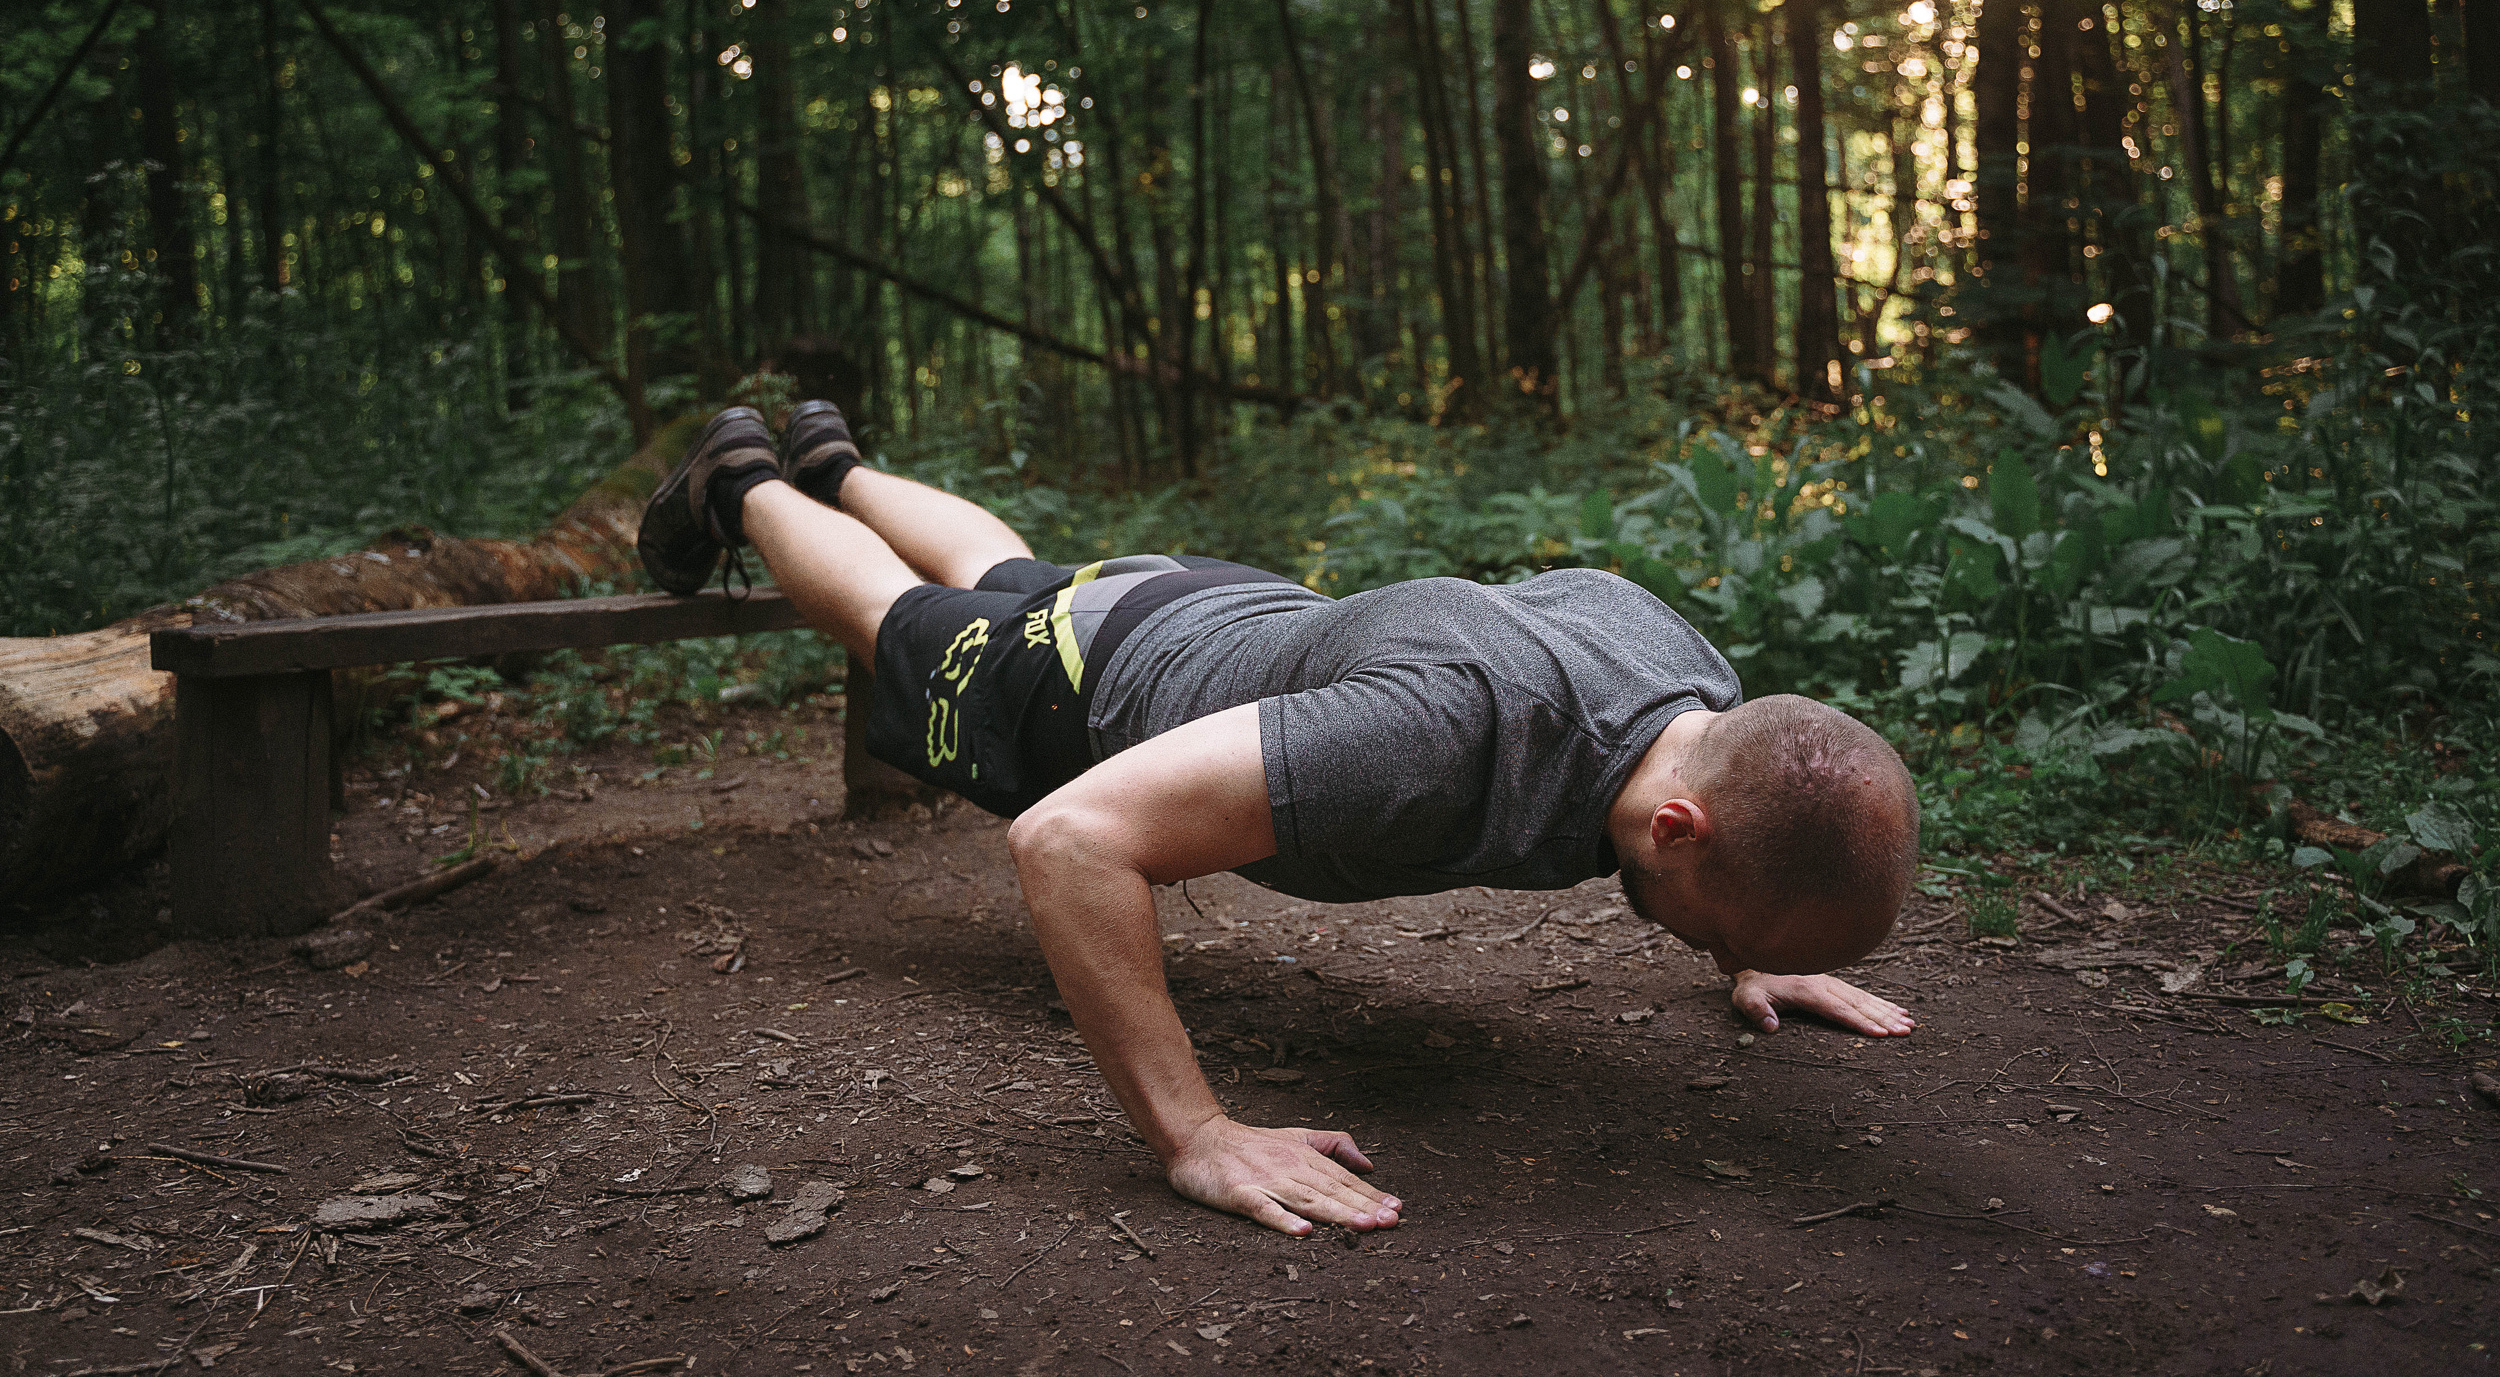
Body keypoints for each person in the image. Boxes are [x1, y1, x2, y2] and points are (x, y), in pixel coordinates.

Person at [639, 404, 1922, 1236]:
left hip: (1219, 607)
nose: (1706, 929)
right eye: (1711, 907)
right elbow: (1068, 839)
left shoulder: (1692, 687)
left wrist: (1755, 935)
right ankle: (746, 477)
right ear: (1682, 828)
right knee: (893, 618)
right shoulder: (1438, 730)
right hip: (1080, 689)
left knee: (1004, 575)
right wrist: (1195, 1131)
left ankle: (835, 459)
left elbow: (1751, 798)